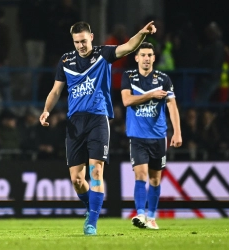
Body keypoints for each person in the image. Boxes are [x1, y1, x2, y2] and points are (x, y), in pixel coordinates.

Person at [39, 21, 157, 235]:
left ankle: (91, 222)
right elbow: (56, 90)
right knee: (77, 180)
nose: (81, 46)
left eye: (84, 41)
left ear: (91, 37)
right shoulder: (66, 60)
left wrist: (142, 33)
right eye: (77, 42)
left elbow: (129, 47)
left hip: (98, 119)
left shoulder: (103, 54)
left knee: (96, 170)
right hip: (75, 122)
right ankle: (91, 207)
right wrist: (47, 110)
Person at [120, 42, 182, 230]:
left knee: (155, 179)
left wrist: (177, 132)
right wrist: (151, 95)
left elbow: (172, 106)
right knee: (141, 175)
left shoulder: (164, 79)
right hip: (137, 137)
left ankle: (152, 218)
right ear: (136, 58)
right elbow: (126, 100)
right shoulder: (128, 76)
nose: (146, 58)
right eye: (143, 55)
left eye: (150, 55)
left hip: (158, 137)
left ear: (154, 58)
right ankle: (140, 215)